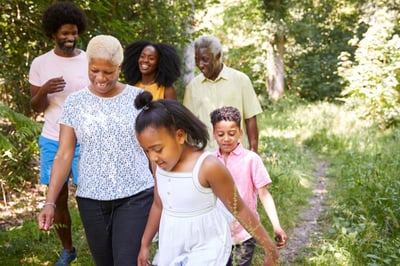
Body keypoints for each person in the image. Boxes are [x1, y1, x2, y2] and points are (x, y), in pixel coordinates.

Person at [37, 35, 155, 266]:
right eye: (95, 70)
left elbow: (153, 150)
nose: (101, 78)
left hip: (136, 195)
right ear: (88, 65)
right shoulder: (74, 102)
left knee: (127, 262)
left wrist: (163, 192)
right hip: (91, 199)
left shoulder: (137, 99)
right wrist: (50, 201)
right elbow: (64, 154)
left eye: (108, 72)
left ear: (119, 68)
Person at [134, 91, 279, 266]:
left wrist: (269, 247)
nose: (153, 157)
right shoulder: (159, 165)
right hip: (172, 246)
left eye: (157, 149)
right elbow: (159, 203)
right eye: (147, 151)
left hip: (207, 248)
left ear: (180, 136)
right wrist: (145, 244)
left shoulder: (208, 166)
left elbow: (239, 209)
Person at [29, 2, 88, 265]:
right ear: (53, 33)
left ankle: (103, 242)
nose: (70, 37)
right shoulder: (41, 63)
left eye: (73, 32)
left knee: (92, 195)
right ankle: (68, 249)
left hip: (87, 140)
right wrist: (45, 89)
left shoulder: (88, 59)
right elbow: (34, 106)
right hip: (53, 138)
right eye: (65, 33)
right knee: (58, 197)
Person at [210, 106, 288, 266]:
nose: (226, 138)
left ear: (240, 133)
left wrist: (276, 226)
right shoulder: (209, 161)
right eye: (220, 134)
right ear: (214, 135)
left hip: (244, 232)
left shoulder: (251, 160)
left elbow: (264, 194)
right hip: (215, 234)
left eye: (231, 133)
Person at [183, 35, 263, 153]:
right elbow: (189, 125)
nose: (200, 65)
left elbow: (250, 118)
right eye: (197, 59)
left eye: (205, 59)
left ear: (218, 56)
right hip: (206, 156)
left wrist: (253, 153)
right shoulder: (192, 87)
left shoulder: (241, 80)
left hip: (238, 154)